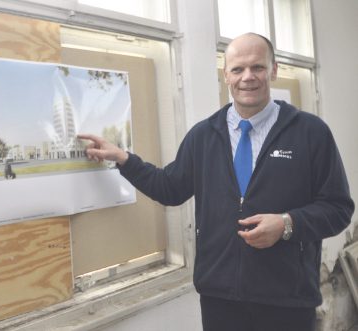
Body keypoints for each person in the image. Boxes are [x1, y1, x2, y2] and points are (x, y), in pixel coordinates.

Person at [78, 33, 354, 331]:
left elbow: (337, 209)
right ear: (226, 76)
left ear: (273, 70)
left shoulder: (310, 133)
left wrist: (287, 224)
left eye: (257, 67)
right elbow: (170, 188)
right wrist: (123, 159)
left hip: (287, 300)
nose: (247, 77)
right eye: (237, 69)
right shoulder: (204, 136)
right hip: (220, 300)